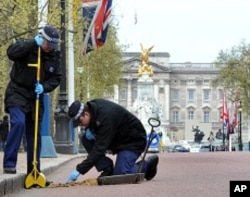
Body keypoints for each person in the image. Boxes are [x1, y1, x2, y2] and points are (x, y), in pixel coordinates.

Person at [2, 25, 62, 185]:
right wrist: (31, 44)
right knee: (19, 122)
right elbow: (11, 53)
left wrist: (45, 87)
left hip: (36, 95)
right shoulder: (28, 46)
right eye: (48, 45)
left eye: (53, 46)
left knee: (34, 134)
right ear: (42, 39)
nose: (50, 48)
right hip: (17, 92)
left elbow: (56, 78)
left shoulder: (54, 56)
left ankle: (34, 170)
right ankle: (9, 163)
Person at [66, 99, 159, 182]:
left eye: (80, 122)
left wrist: (79, 170)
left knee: (121, 174)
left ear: (86, 114)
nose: (80, 125)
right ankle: (107, 168)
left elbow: (99, 149)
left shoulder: (106, 117)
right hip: (117, 139)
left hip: (132, 141)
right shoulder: (93, 110)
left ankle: (147, 165)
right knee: (86, 138)